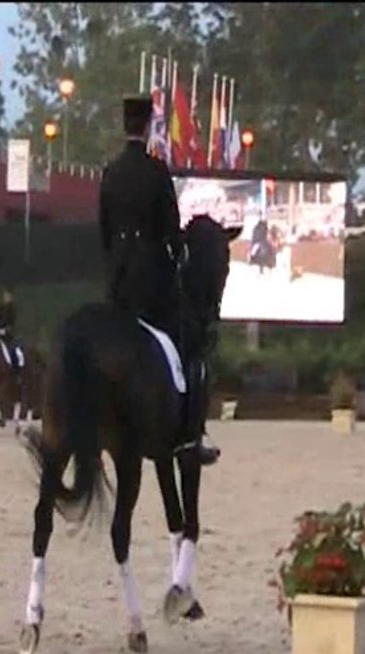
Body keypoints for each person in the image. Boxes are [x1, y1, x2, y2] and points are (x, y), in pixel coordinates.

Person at [98, 94, 219, 465]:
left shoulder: (110, 172)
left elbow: (104, 230)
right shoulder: (156, 171)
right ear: (149, 126)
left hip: (118, 282)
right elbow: (170, 230)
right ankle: (190, 436)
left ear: (124, 126)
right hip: (152, 283)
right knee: (191, 349)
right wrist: (179, 250)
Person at [0, 287, 23, 380]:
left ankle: (16, 372)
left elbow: (12, 322)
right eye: (5, 296)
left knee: (14, 350)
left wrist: (6, 330)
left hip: (9, 335)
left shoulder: (12, 309)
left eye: (8, 296)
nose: (6, 298)